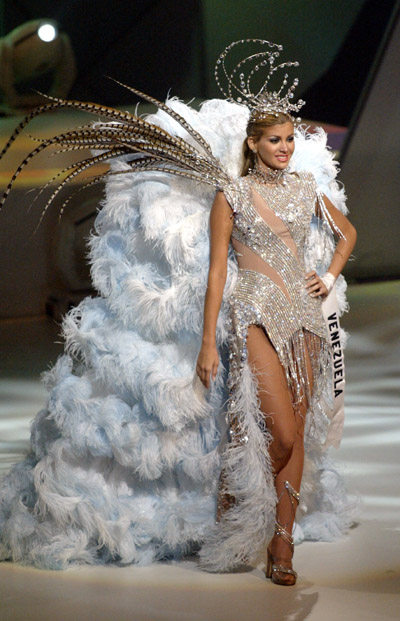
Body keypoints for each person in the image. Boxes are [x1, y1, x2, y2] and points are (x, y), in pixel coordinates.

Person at [0, 40, 356, 581]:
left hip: (303, 317)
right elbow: (216, 273)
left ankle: (281, 546)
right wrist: (208, 342)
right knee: (280, 433)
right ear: (254, 144)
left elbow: (346, 233)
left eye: (289, 139)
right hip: (255, 315)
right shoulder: (232, 195)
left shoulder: (306, 188)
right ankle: (241, 507)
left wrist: (327, 276)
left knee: (299, 431)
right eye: (275, 140)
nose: (285, 148)